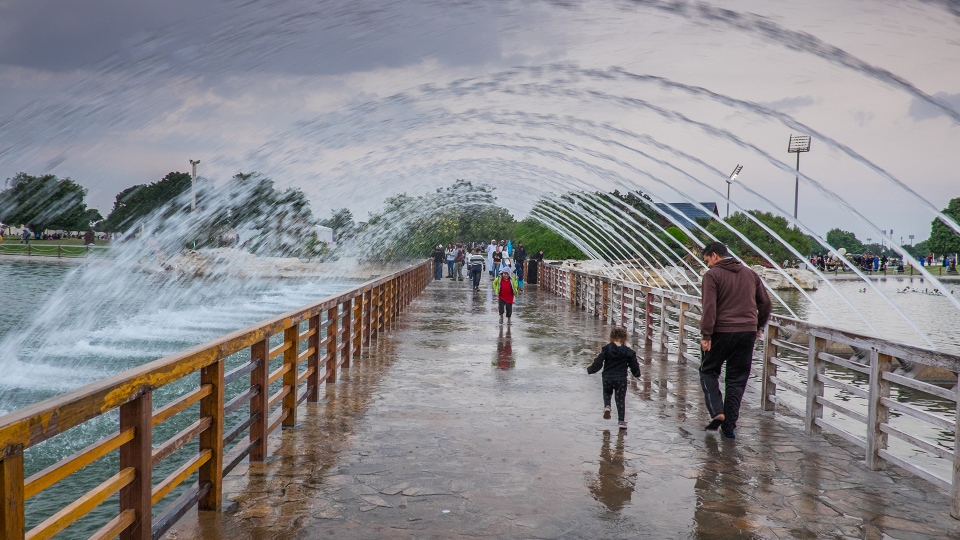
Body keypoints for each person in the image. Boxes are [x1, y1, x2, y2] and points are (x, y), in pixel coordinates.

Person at [699, 241, 772, 439]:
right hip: (747, 333)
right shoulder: (750, 274)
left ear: (714, 256)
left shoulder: (712, 275)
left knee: (708, 370)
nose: (708, 265)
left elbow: (709, 307)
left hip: (721, 332)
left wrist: (706, 335)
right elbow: (765, 304)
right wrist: (757, 326)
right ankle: (729, 427)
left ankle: (717, 412)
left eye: (707, 261)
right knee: (737, 379)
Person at [587, 327, 641, 430]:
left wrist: (591, 370)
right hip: (621, 379)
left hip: (608, 378)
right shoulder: (629, 352)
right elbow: (634, 366)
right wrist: (637, 373)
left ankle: (607, 406)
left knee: (607, 393)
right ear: (625, 338)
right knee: (620, 400)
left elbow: (598, 362)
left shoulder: (606, 349)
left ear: (611, 338)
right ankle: (621, 422)